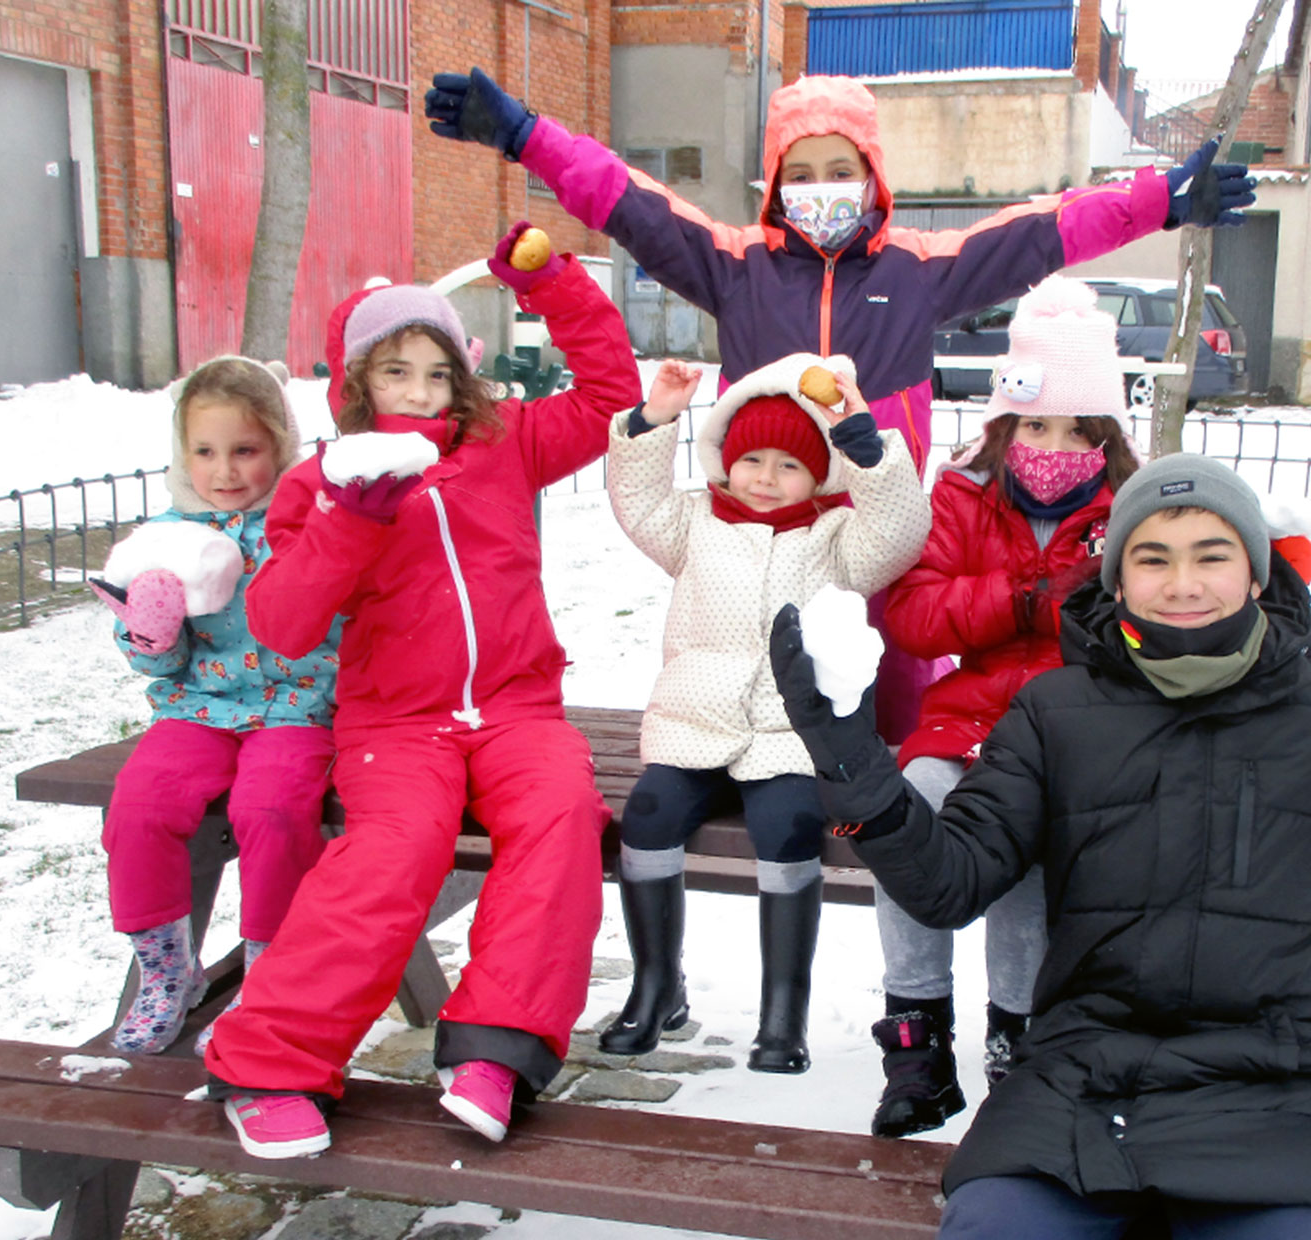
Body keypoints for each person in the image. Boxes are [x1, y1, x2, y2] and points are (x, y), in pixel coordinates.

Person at [768, 452, 1311, 1240]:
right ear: (1117, 578)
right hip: (1077, 1079)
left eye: (1212, 555)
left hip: (1270, 1095)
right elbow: (948, 884)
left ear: (1256, 573)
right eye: (1152, 558)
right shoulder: (1055, 710)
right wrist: (849, 756)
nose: (1183, 583)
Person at [420, 67, 1256, 744]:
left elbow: (1043, 230)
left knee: (893, 697)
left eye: (840, 171)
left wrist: (1162, 201)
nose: (821, 189)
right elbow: (629, 203)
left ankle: (893, 825)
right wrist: (525, 135)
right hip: (762, 533)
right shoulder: (735, 267)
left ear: (872, 176)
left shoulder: (920, 269)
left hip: (872, 541)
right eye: (801, 174)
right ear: (776, 184)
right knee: (753, 685)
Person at [200, 224, 642, 1160]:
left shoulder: (505, 443)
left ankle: (495, 1051)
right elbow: (281, 624)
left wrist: (552, 284)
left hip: (519, 710)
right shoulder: (320, 484)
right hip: (397, 725)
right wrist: (350, 523)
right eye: (397, 371)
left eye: (439, 373)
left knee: (563, 820)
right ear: (358, 380)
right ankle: (268, 1064)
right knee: (393, 853)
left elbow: (611, 396)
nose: (420, 392)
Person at [599, 353, 930, 1073]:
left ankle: (783, 1013)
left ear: (818, 475)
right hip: (694, 725)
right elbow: (637, 501)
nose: (765, 477)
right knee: (649, 814)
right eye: (751, 459)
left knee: (789, 825)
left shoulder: (837, 540)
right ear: (726, 461)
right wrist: (654, 421)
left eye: (788, 465)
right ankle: (657, 985)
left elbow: (900, 532)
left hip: (790, 736)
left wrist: (863, 444)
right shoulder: (692, 524)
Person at [870, 275, 1141, 1135]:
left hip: (1070, 730)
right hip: (965, 719)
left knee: (1034, 840)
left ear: (1106, 437)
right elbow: (914, 615)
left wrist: (1080, 611)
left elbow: (1146, 631)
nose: (1054, 447)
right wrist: (1018, 600)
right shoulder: (963, 493)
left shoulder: (1129, 511)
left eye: (1078, 430)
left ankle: (1016, 1042)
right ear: (1004, 424)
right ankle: (916, 1039)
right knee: (910, 815)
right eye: (1035, 426)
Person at [92, 354, 340, 1057]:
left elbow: (350, 614)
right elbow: (156, 657)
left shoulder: (306, 524)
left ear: (280, 447)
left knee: (273, 811)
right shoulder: (165, 536)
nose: (224, 471)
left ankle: (271, 976)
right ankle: (168, 972)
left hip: (296, 707)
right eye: (204, 452)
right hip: (198, 707)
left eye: (245, 451)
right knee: (139, 808)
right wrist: (150, 631)